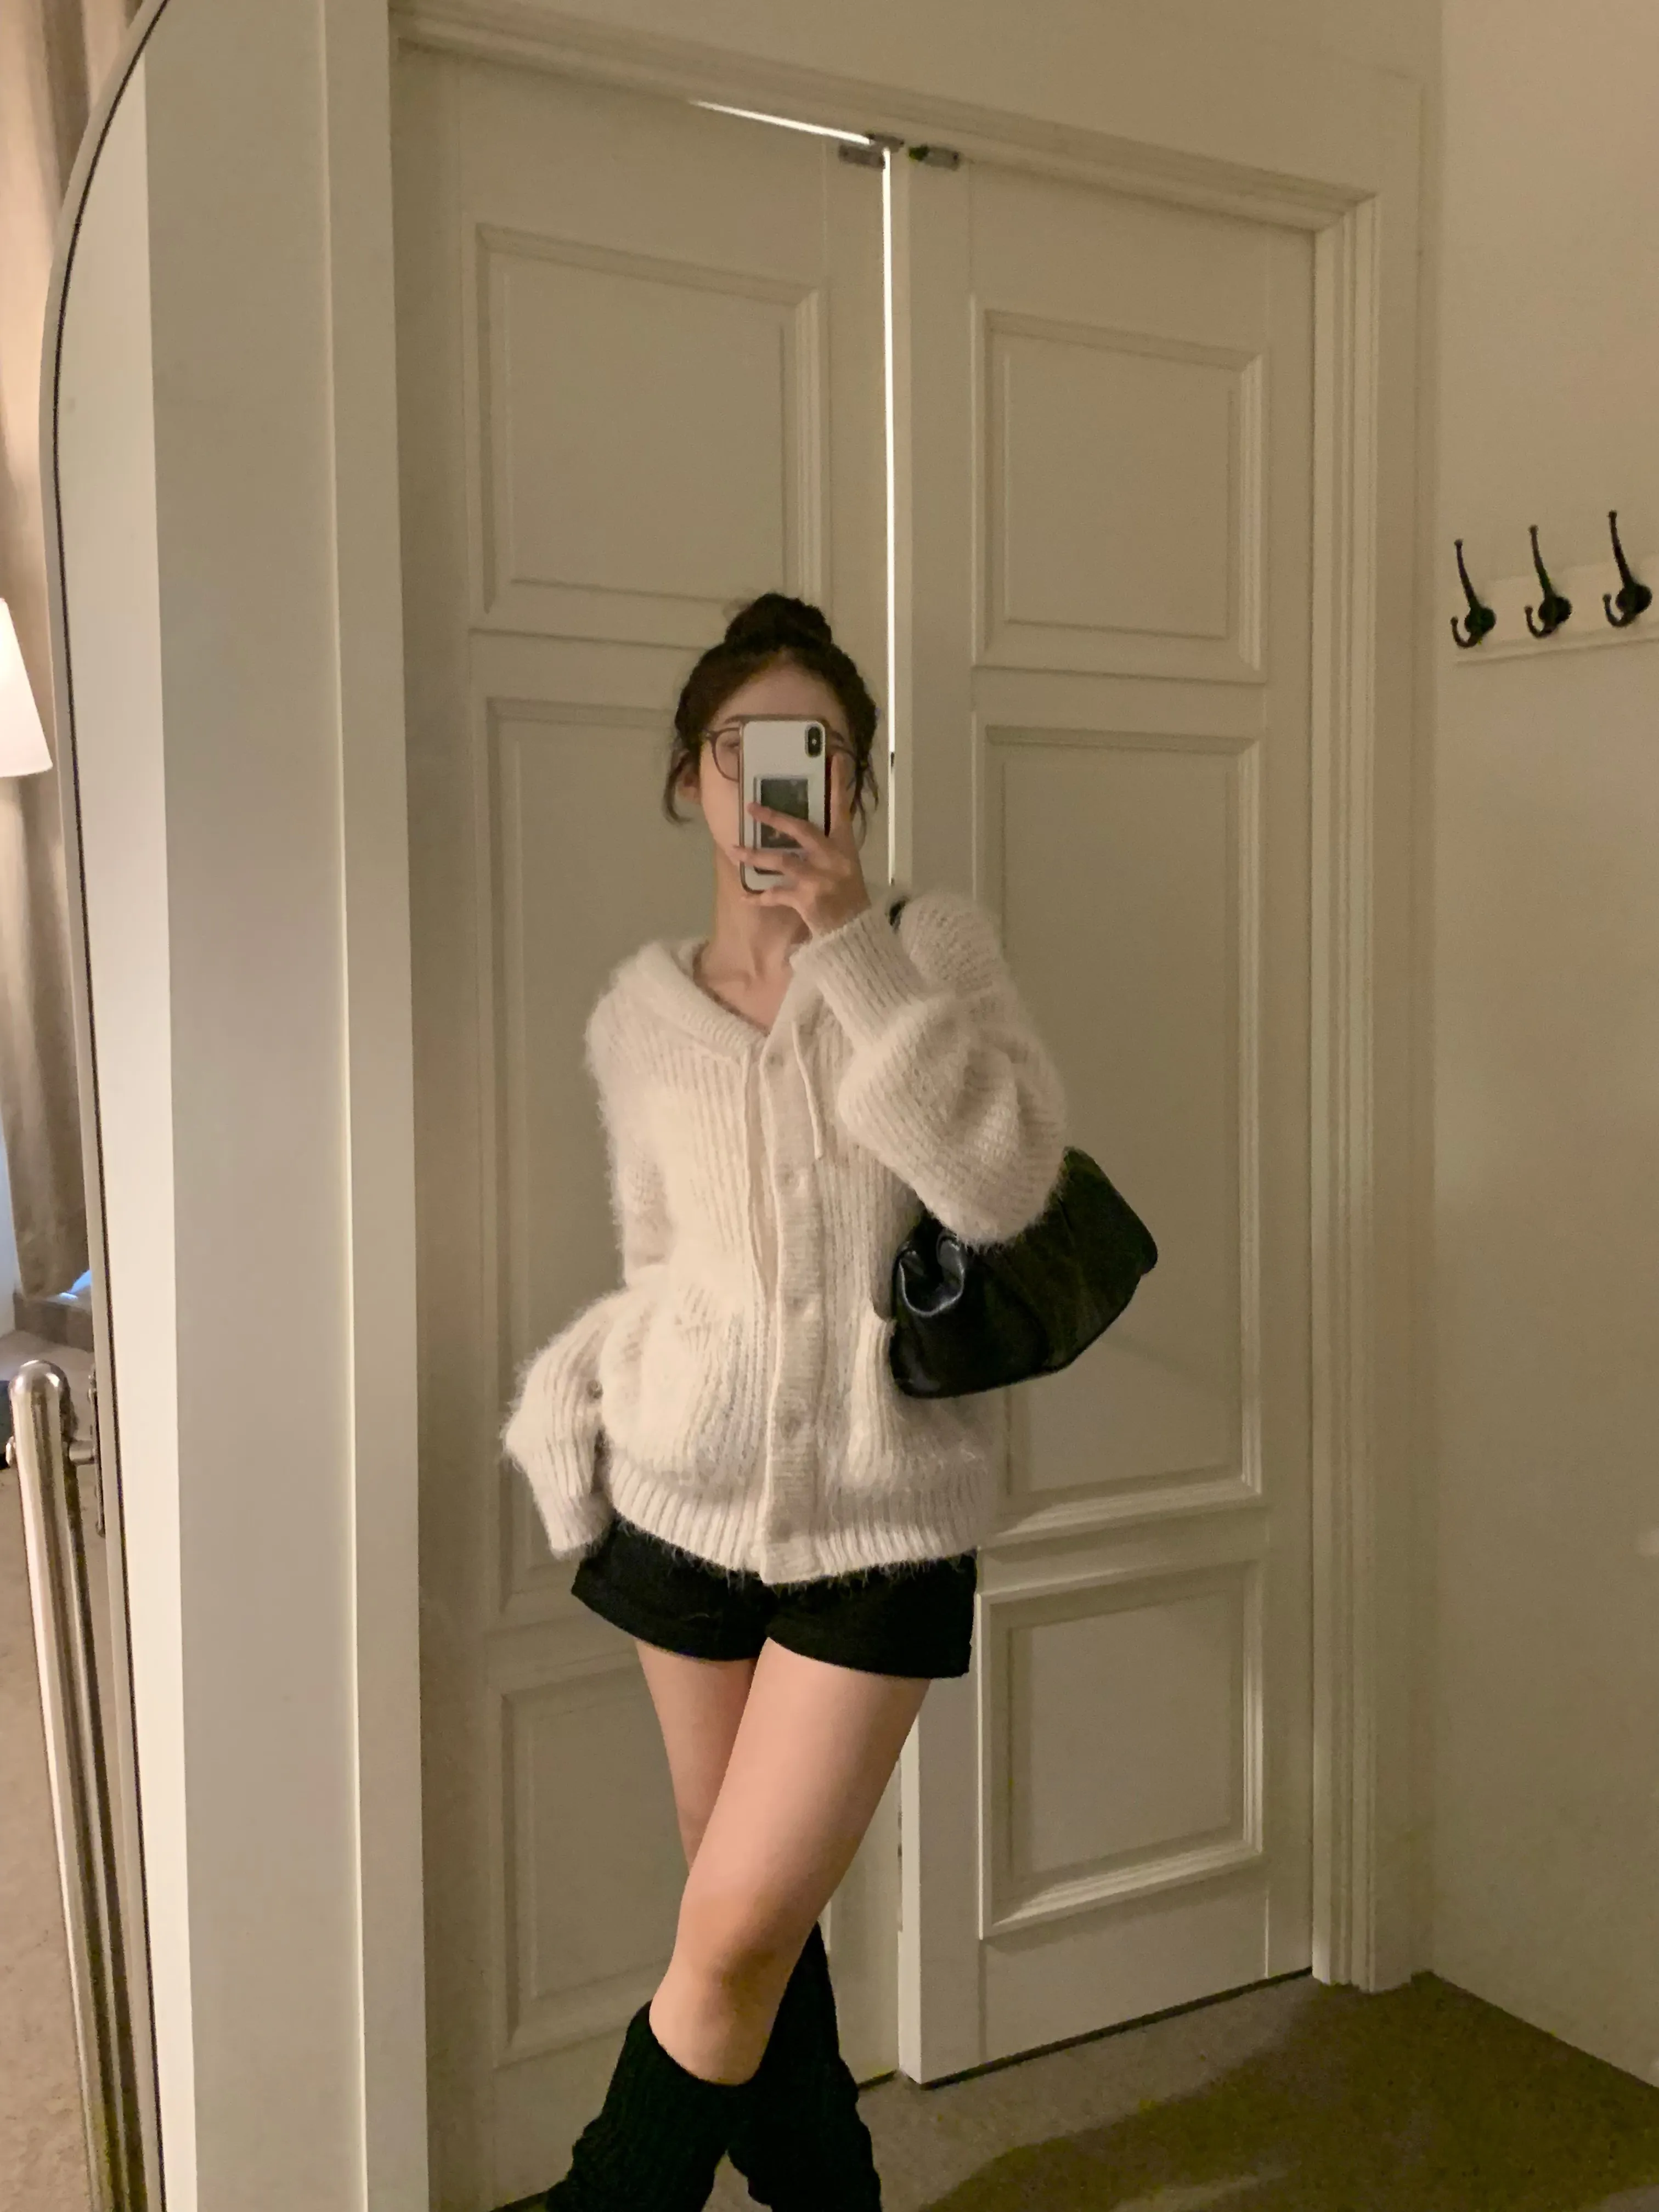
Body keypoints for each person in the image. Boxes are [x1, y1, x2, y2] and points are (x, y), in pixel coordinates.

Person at [503, 592, 1068, 2210]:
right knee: (749, 1926)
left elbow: (1003, 1185)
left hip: (882, 1532)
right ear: (692, 777)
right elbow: (662, 1260)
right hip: (679, 1516)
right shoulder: (638, 1016)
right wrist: (593, 1385)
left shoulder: (932, 954)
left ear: (857, 784)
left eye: (811, 756)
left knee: (738, 1929)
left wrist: (855, 954)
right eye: (740, 753)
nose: (771, 789)